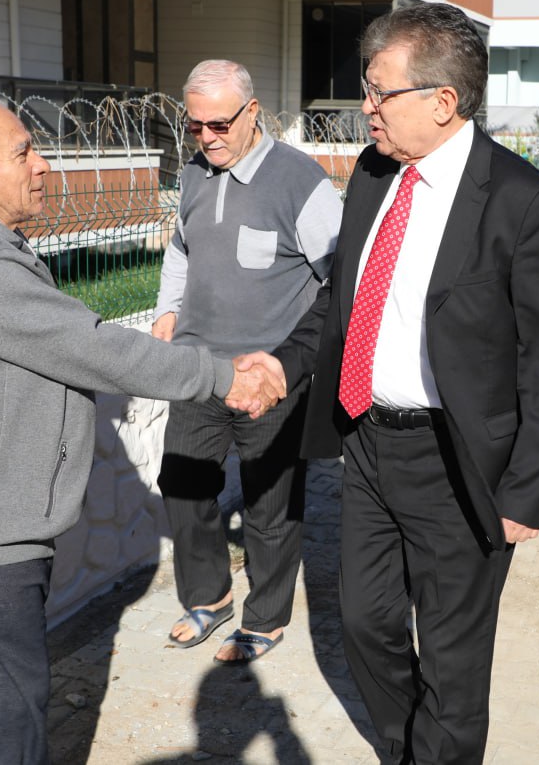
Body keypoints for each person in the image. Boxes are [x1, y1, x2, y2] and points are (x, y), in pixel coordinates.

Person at [0, 93, 284, 764]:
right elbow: (99, 348)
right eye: (22, 152)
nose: (42, 165)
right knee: (7, 713)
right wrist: (224, 378)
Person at [272, 3, 539, 764]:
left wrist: (525, 490)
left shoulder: (521, 201)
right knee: (365, 624)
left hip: (460, 463)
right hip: (369, 443)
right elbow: (341, 296)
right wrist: (286, 360)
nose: (364, 108)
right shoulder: (375, 174)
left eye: (380, 93)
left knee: (453, 661)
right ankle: (409, 750)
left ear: (443, 102)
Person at [151, 61, 342, 662]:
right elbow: (181, 248)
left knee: (270, 503)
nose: (207, 136)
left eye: (219, 123)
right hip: (198, 367)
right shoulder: (193, 174)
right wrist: (167, 309)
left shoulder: (299, 181)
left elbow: (339, 277)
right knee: (183, 487)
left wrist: (300, 364)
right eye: (195, 125)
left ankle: (266, 617)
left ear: (253, 113)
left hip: (270, 379)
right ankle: (208, 598)